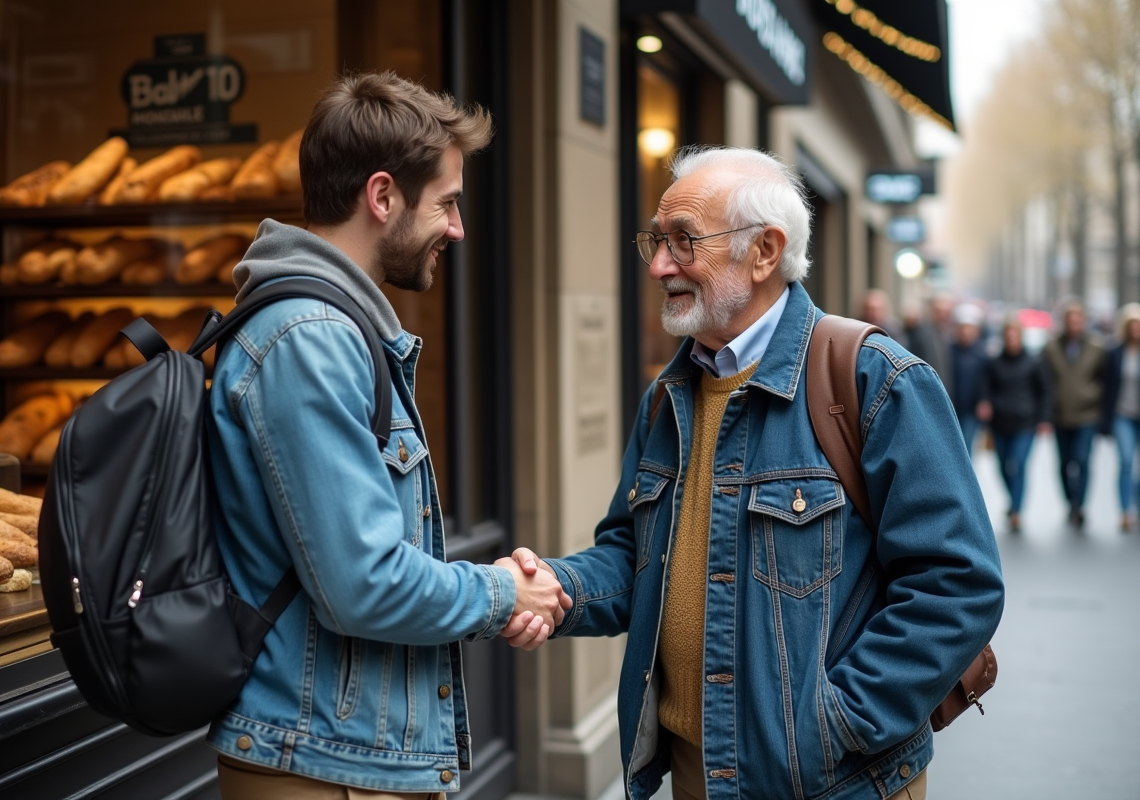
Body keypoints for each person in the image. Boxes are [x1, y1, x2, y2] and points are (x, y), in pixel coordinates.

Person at [500, 147, 1004, 800]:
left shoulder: (874, 379)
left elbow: (956, 585)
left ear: (765, 251)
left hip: (837, 785)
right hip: (695, 780)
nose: (658, 265)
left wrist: (834, 725)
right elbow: (633, 556)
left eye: (683, 241)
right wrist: (551, 587)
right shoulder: (668, 396)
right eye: (656, 241)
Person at [204, 72, 570, 797]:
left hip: (341, 756)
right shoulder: (312, 338)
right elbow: (362, 584)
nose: (458, 230)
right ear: (382, 196)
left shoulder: (333, 329)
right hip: (321, 765)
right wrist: (500, 593)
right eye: (448, 204)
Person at [978, 317, 1051, 532]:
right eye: (1007, 336)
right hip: (999, 422)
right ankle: (1013, 499)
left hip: (1025, 423)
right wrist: (985, 402)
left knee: (1017, 464)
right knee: (1002, 466)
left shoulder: (1034, 361)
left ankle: (1017, 511)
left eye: (1015, 335)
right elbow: (986, 386)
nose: (1011, 340)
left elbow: (1045, 392)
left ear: (1020, 337)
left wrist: (1044, 419)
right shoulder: (994, 362)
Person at [1042, 299, 1107, 530]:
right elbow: (1046, 383)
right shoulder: (1051, 347)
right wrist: (1046, 415)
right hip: (1061, 415)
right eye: (1070, 320)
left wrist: (1098, 404)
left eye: (1078, 320)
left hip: (1087, 414)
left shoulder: (1097, 347)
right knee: (1064, 463)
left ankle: (1080, 505)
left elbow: (1104, 379)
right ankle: (1070, 501)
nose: (1074, 325)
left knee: (1082, 460)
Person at [1100, 303, 1140, 530]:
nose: (1136, 330)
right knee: (1125, 461)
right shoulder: (1115, 352)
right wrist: (1105, 422)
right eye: (1132, 325)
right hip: (1122, 414)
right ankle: (1126, 511)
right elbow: (1107, 388)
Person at [950, 303, 987, 454]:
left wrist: (984, 401)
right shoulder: (950, 351)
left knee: (966, 447)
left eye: (968, 328)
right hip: (953, 406)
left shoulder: (981, 354)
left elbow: (986, 381)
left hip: (972, 408)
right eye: (962, 328)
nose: (965, 332)